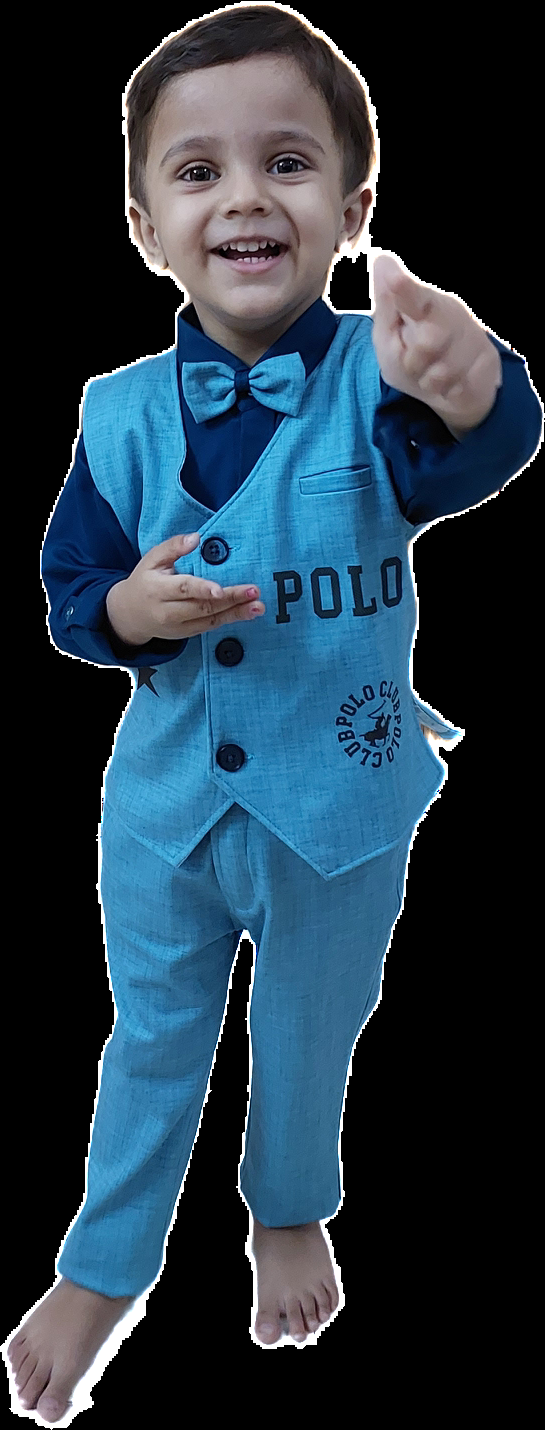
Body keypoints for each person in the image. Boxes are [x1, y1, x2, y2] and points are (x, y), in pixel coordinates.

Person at [7, 5, 542, 1420]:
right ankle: (106, 1260)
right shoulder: (116, 417)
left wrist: (476, 381)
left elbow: (480, 450)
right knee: (151, 1038)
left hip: (342, 815)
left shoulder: (385, 381)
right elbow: (69, 590)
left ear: (354, 208)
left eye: (288, 163)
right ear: (147, 228)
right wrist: (129, 611)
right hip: (167, 816)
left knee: (313, 1029)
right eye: (200, 172)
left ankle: (291, 1202)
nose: (245, 197)